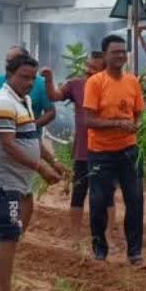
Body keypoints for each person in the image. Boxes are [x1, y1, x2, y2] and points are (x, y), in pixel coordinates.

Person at [0, 53, 62, 291]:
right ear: (9, 76)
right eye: (23, 77)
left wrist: (54, 161)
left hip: (19, 183)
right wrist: (41, 168)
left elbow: (32, 138)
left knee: (5, 238)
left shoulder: (23, 101)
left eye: (32, 78)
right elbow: (9, 144)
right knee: (7, 237)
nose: (28, 83)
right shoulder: (3, 102)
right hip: (4, 184)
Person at [83, 36, 146, 264]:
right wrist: (118, 124)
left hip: (129, 150)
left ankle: (135, 252)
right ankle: (100, 250)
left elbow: (138, 112)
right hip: (100, 152)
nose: (120, 56)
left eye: (123, 52)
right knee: (99, 202)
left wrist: (137, 124)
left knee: (136, 200)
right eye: (115, 52)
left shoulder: (133, 82)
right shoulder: (95, 82)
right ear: (105, 55)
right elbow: (88, 120)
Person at [41, 52, 108, 231]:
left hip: (105, 151)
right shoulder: (76, 85)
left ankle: (106, 235)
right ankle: (76, 235)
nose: (88, 71)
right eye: (88, 66)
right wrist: (49, 80)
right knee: (78, 193)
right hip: (83, 151)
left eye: (94, 68)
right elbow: (54, 96)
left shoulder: (110, 88)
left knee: (104, 196)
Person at [0, 46, 55, 128]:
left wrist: (30, 128)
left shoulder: (41, 83)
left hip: (31, 138)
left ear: (26, 61)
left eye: (13, 61)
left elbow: (51, 112)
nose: (8, 64)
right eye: (7, 61)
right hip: (3, 137)